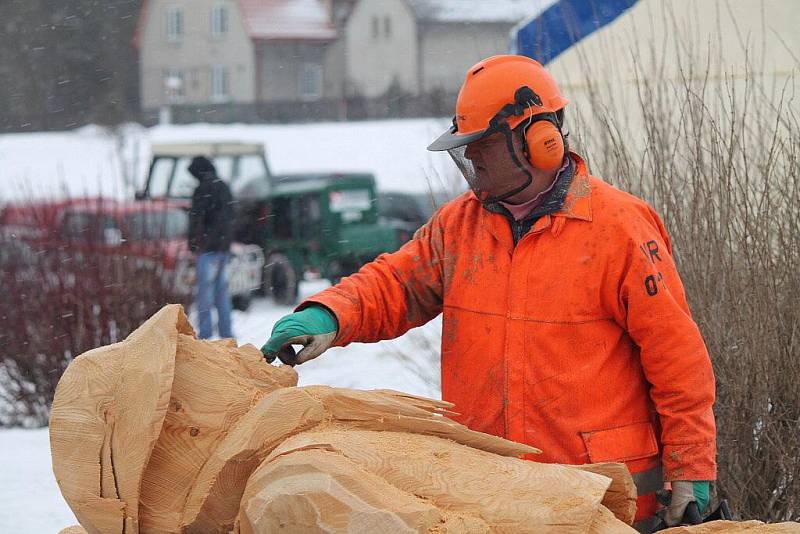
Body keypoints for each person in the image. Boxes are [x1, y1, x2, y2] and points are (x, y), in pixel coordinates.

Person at [260, 55, 716, 532]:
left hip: (602, 500)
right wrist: (328, 314)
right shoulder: (460, 226)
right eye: (466, 147)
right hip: (491, 496)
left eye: (484, 145)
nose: (472, 158)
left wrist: (692, 469)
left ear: (540, 140)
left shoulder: (618, 228)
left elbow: (677, 362)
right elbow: (395, 284)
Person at [187, 155, 234, 339]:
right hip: (223, 247)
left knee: (204, 295)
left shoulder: (202, 189)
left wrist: (194, 243)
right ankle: (226, 333)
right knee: (221, 292)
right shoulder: (224, 187)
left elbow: (196, 218)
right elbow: (231, 216)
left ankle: (205, 334)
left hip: (206, 249)